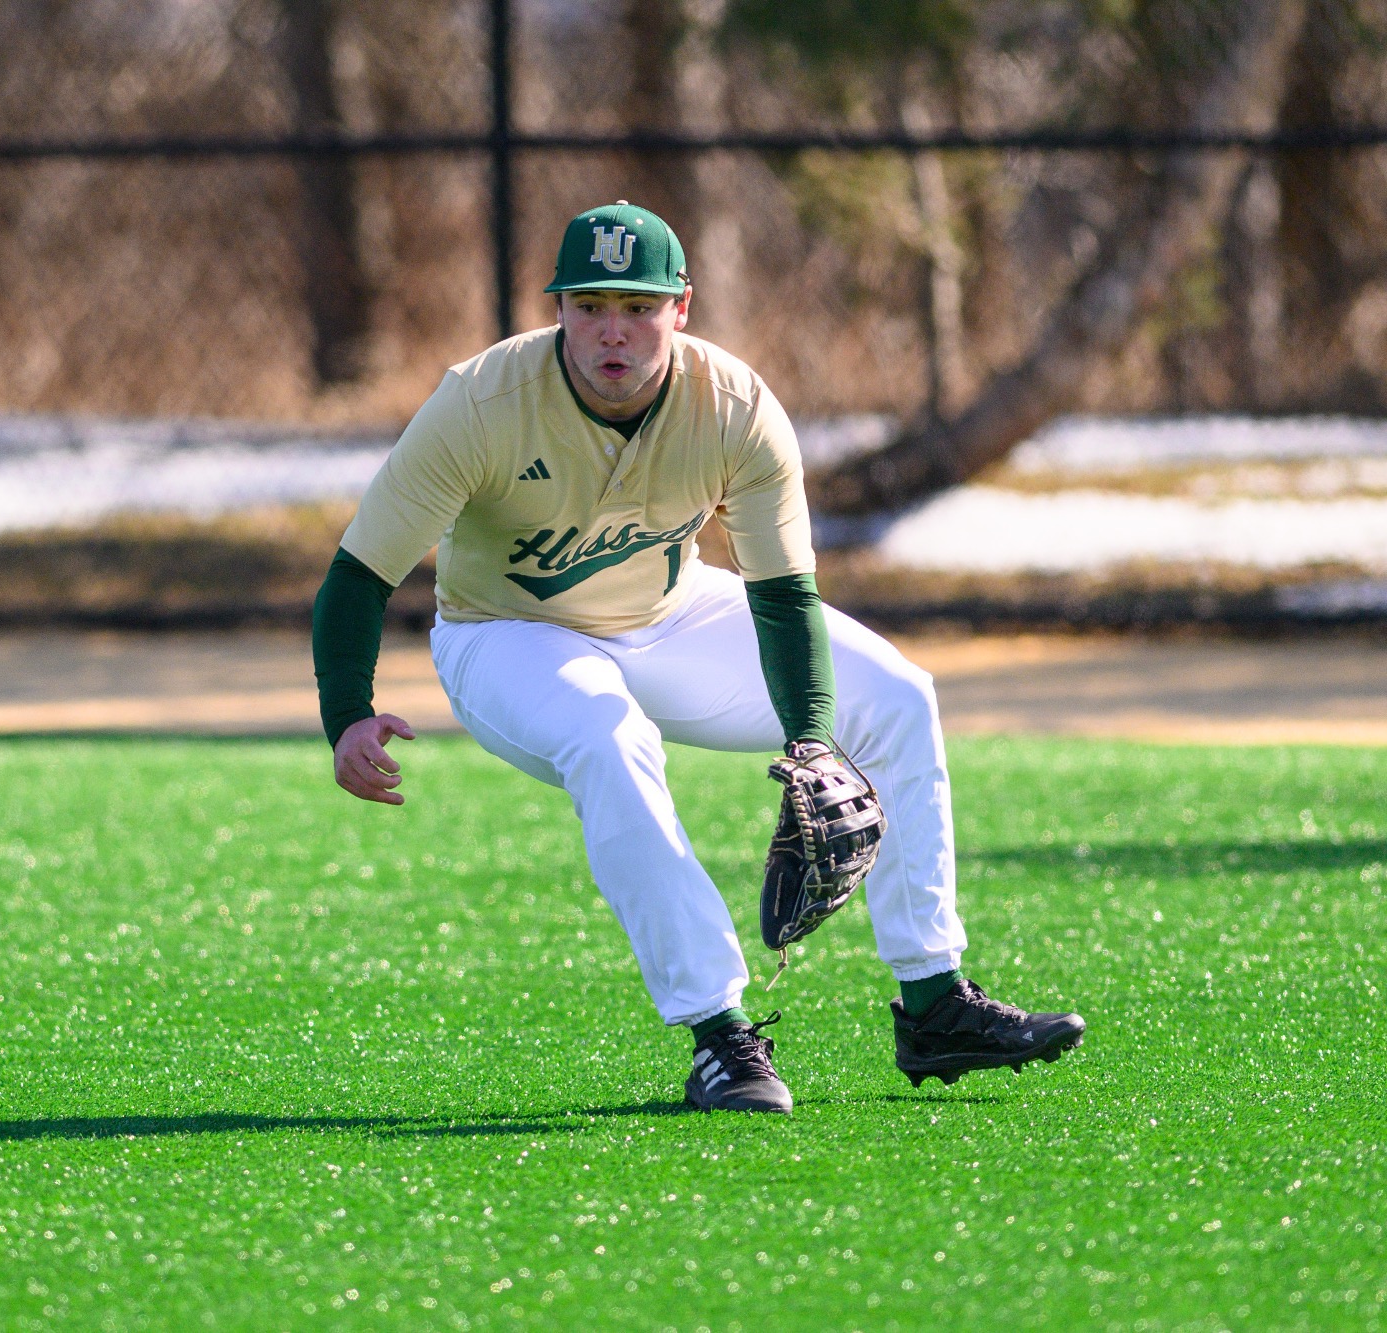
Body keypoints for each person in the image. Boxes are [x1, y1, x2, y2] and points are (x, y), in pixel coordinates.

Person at [311, 201, 1084, 1114]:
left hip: (669, 614)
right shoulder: (481, 402)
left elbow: (784, 594)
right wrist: (347, 717)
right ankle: (720, 1036)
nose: (612, 331)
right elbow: (357, 577)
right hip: (504, 634)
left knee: (899, 698)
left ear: (681, 306)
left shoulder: (736, 407)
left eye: (636, 306)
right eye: (590, 305)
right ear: (556, 308)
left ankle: (934, 999)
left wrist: (810, 741)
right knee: (609, 735)